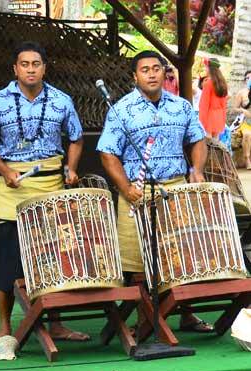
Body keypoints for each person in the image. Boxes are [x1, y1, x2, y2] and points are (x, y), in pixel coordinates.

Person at [0, 41, 88, 348]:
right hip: (13, 189)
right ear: (15, 69)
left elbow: (76, 138)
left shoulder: (61, 101)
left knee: (55, 257)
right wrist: (4, 170)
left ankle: (57, 324)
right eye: (24, 64)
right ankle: (4, 326)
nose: (30, 69)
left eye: (36, 64)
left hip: (52, 187)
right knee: (10, 261)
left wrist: (71, 168)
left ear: (44, 68)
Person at [96, 50, 213, 332]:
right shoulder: (121, 109)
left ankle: (186, 314)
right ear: (134, 76)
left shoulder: (182, 106)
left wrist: (196, 170)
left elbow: (198, 140)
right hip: (136, 192)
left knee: (182, 255)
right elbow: (107, 153)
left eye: (156, 68)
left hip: (174, 188)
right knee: (139, 262)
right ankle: (144, 320)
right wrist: (125, 188)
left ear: (164, 73)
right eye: (145, 69)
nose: (151, 73)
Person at [199, 57, 228, 139]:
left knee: (207, 142)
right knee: (216, 143)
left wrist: (201, 122)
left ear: (209, 68)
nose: (205, 69)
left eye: (206, 67)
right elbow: (224, 104)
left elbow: (204, 104)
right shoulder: (223, 83)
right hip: (219, 116)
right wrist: (223, 119)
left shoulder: (208, 83)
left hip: (209, 116)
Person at [232, 70, 251, 169]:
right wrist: (243, 111)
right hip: (246, 122)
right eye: (248, 78)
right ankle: (247, 160)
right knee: (247, 134)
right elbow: (234, 108)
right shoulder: (242, 93)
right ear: (245, 80)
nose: (250, 80)